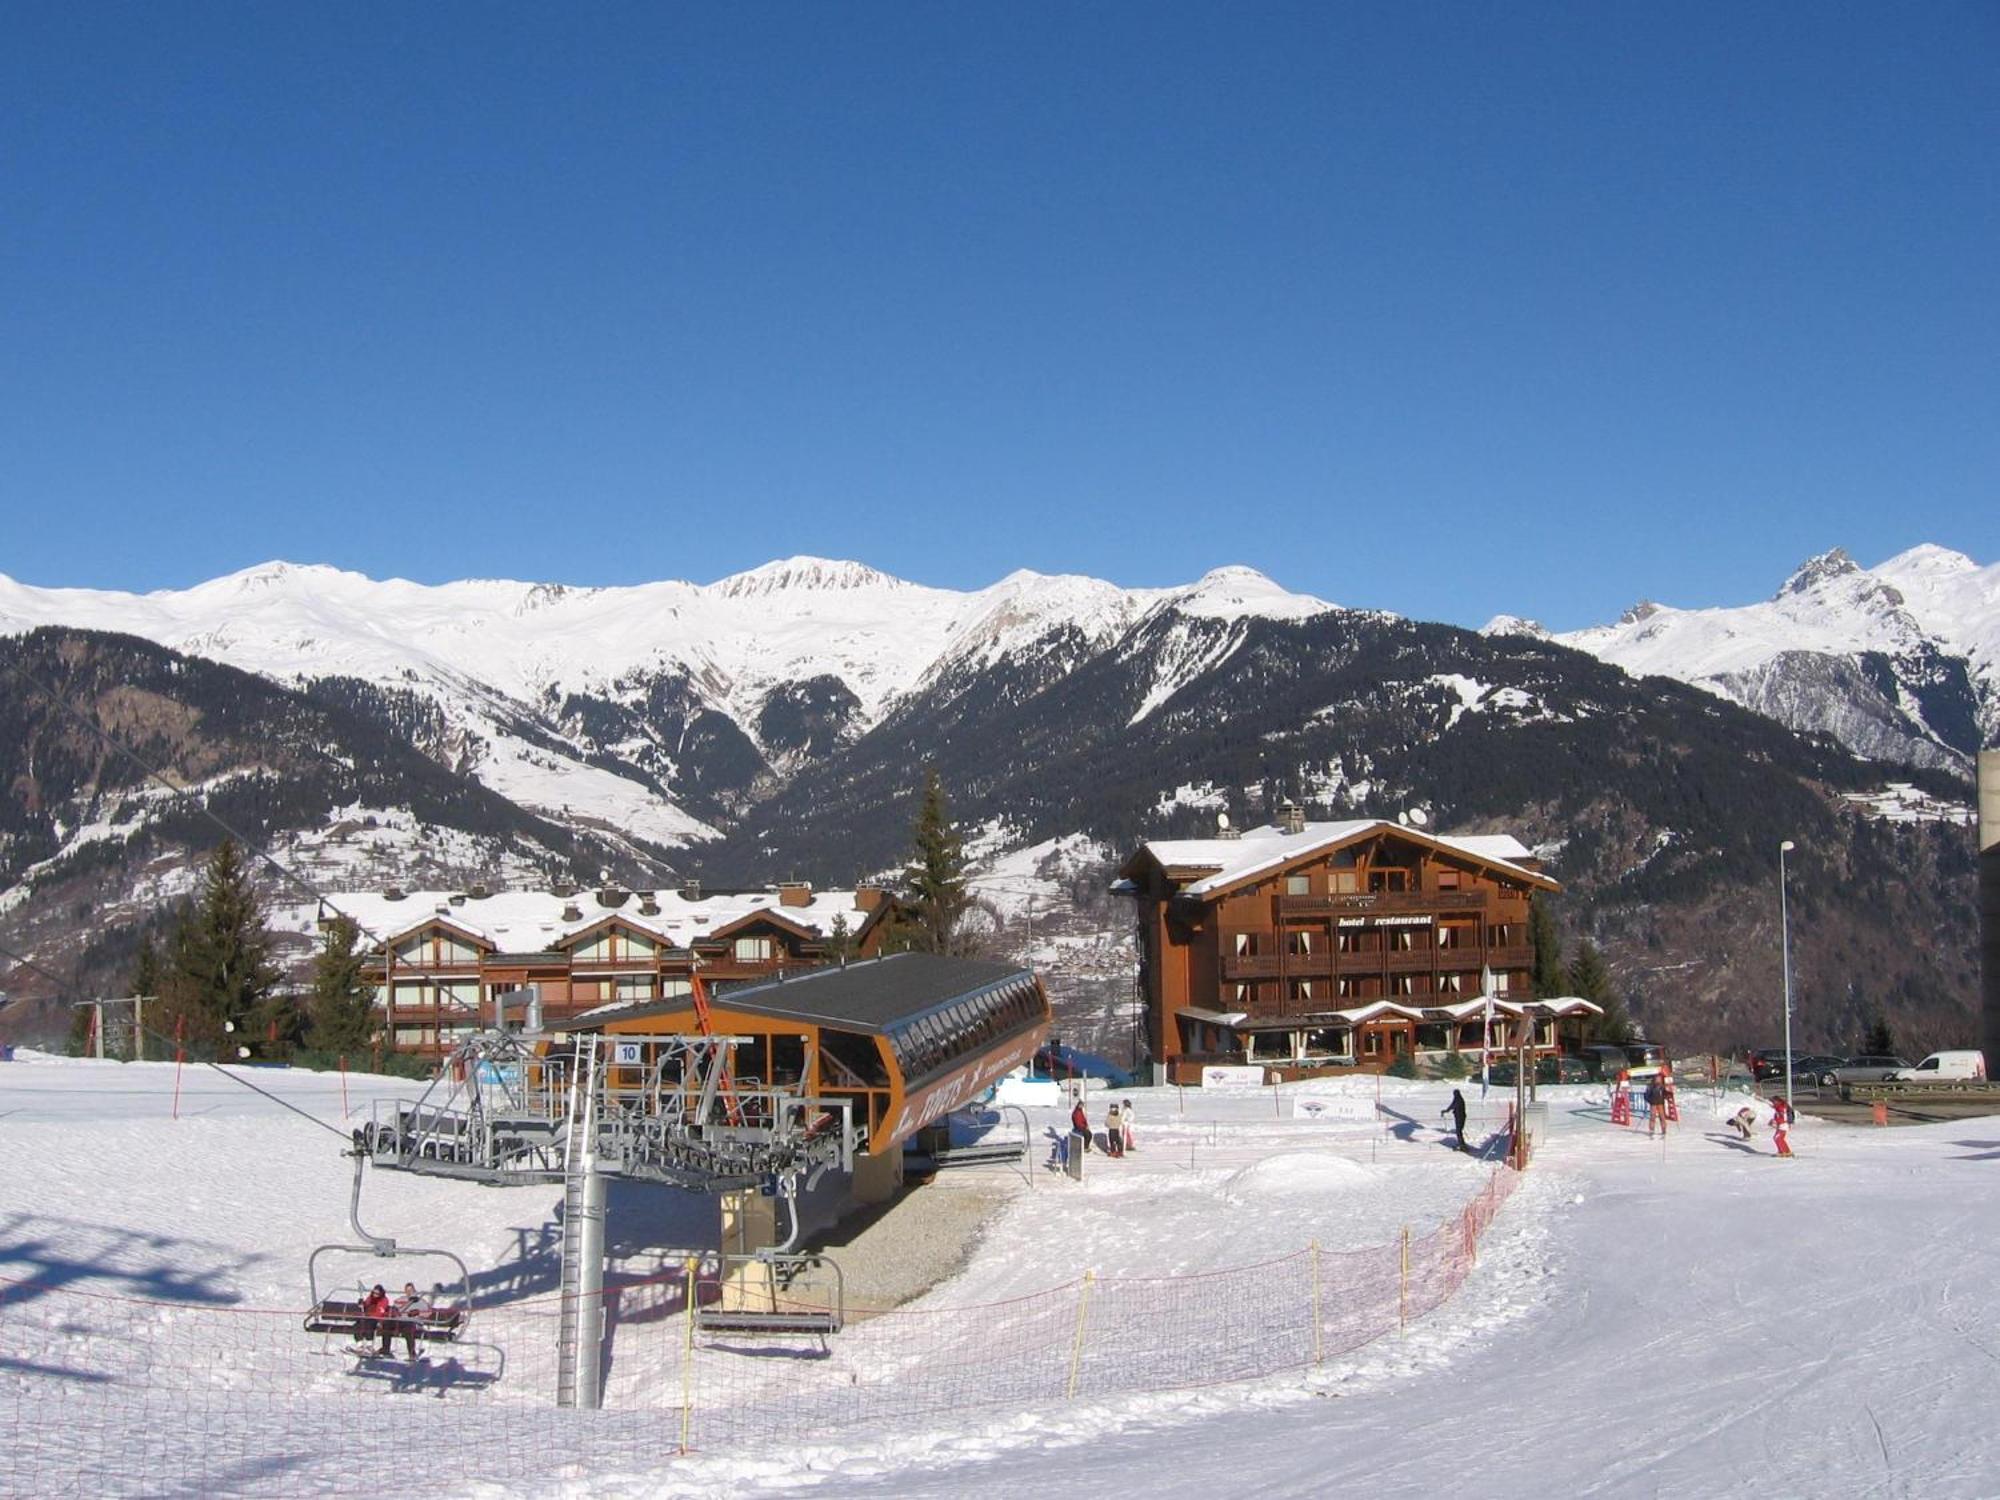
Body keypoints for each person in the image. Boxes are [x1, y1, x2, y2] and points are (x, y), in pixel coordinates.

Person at [389, 1281, 429, 1359]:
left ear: (414, 1290)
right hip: (400, 1321)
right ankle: (385, 1349)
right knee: (387, 1324)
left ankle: (412, 1353)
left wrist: (418, 1313)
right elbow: (394, 1309)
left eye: (411, 1291)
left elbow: (428, 1313)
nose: (409, 1292)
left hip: (413, 1323)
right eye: (407, 1291)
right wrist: (394, 1311)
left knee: (408, 1328)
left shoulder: (420, 1301)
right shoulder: (401, 1300)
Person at [356, 1284, 392, 1355]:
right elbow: (366, 1304)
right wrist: (362, 1304)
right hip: (367, 1317)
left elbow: (380, 1312)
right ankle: (359, 1344)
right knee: (357, 1325)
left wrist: (370, 1316)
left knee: (369, 1324)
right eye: (374, 1293)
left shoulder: (384, 1300)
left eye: (377, 1293)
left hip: (377, 1319)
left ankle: (369, 1345)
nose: (375, 1295)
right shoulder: (370, 1298)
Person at [1441, 1088, 1469, 1153]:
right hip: (1458, 1117)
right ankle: (1461, 1144)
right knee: (1458, 1131)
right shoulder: (1457, 1099)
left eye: (1455, 1093)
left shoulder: (1458, 1100)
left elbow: (1452, 1106)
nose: (1454, 1095)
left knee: (1458, 1132)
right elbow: (1451, 1105)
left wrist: (1446, 1110)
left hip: (1460, 1117)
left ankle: (1463, 1146)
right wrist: (1446, 1110)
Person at [1644, 1072, 1669, 1138]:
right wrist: (1650, 1101)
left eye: (1660, 1079)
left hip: (1660, 1103)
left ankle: (1664, 1130)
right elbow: (1646, 1095)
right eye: (1657, 1079)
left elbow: (1666, 1094)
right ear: (1654, 1079)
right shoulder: (1650, 1086)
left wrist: (1668, 1093)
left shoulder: (1662, 1086)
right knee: (1652, 1116)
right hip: (1653, 1104)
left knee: (1662, 1117)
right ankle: (1651, 1130)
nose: (1659, 1080)